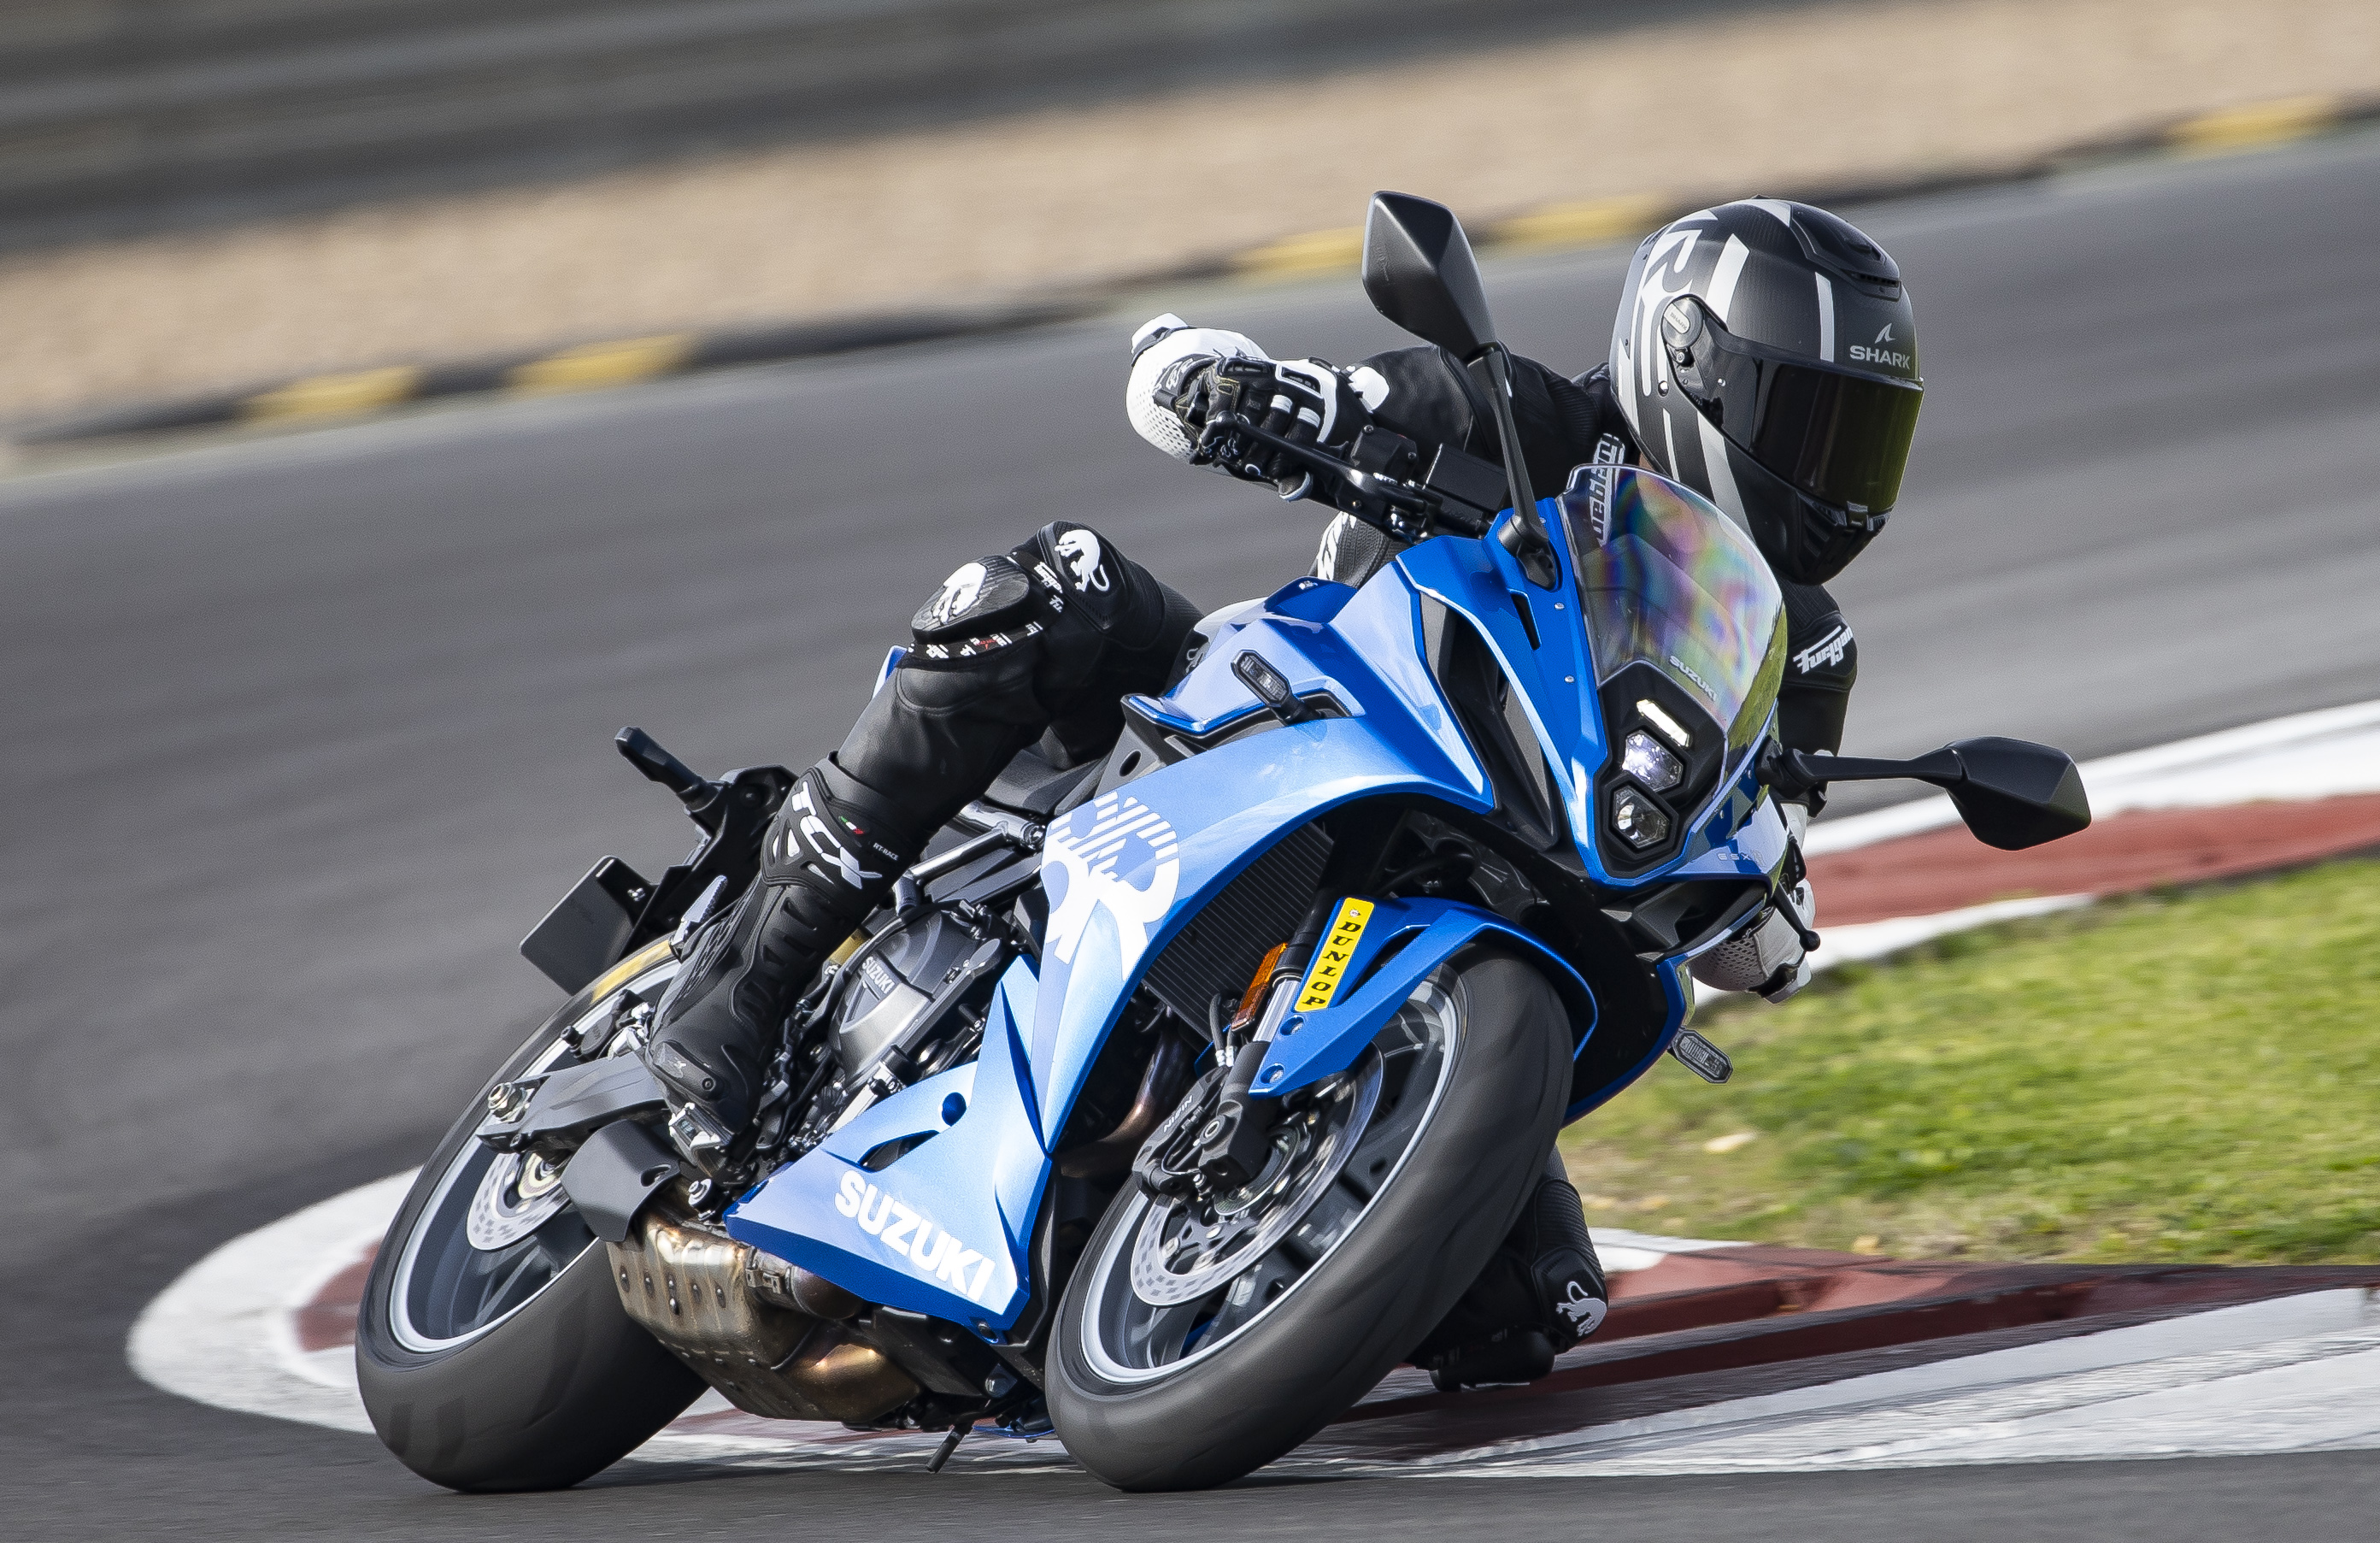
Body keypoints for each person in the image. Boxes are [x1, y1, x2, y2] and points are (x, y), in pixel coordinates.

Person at [643, 198, 1924, 1386]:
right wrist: (1227, 387)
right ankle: (747, 976)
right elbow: (1312, 397)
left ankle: (1155, 1278)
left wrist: (1768, 909)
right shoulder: (1510, 413)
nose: (1835, 471)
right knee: (1059, 586)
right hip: (1268, 736)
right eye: (1810, 422)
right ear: (1689, 362)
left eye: (1864, 438)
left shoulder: (1799, 645)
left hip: (1489, 907)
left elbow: (1760, 848)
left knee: (1531, 1311)